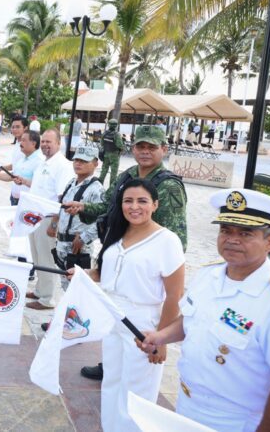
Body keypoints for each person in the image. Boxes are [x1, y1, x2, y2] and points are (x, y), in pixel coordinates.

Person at [137, 189, 270, 432]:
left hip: (234, 423)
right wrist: (161, 336)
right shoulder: (208, 275)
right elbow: (191, 320)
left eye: (246, 233)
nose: (232, 239)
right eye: (225, 231)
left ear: (269, 242)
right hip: (186, 405)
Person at [64, 125, 187, 381]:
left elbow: (175, 239)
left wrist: (162, 336)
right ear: (133, 149)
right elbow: (110, 206)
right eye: (141, 146)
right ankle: (107, 364)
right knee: (114, 371)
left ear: (164, 150)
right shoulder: (128, 174)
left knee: (135, 386)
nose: (145, 152)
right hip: (119, 258)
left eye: (152, 147)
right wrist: (84, 207)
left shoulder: (169, 186)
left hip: (145, 285)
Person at [69, 177, 184, 432]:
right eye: (128, 201)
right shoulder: (117, 231)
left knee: (136, 396)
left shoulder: (167, 241)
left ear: (155, 204)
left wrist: (161, 339)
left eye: (142, 201)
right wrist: (82, 274)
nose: (134, 207)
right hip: (113, 318)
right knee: (112, 384)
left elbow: (174, 296)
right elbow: (104, 273)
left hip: (143, 325)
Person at [14, 128, 74, 309]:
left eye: (50, 142)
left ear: (59, 143)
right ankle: (40, 291)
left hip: (48, 219)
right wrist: (24, 181)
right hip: (35, 217)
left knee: (47, 258)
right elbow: (40, 187)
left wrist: (55, 224)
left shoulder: (62, 166)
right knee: (38, 257)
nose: (46, 145)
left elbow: (63, 197)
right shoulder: (43, 163)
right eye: (44, 142)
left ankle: (48, 299)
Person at [49, 145, 105, 288]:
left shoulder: (96, 188)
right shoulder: (71, 183)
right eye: (76, 160)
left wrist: (84, 238)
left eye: (84, 161)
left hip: (78, 247)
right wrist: (54, 224)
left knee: (78, 288)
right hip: (62, 243)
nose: (78, 164)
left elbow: (102, 218)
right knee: (65, 285)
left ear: (95, 163)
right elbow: (62, 205)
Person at [99, 118, 124, 187]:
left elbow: (101, 143)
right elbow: (120, 145)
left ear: (109, 125)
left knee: (104, 170)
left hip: (106, 154)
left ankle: (99, 184)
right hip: (114, 155)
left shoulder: (105, 133)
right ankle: (112, 188)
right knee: (114, 172)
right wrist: (121, 150)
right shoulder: (117, 134)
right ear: (116, 126)